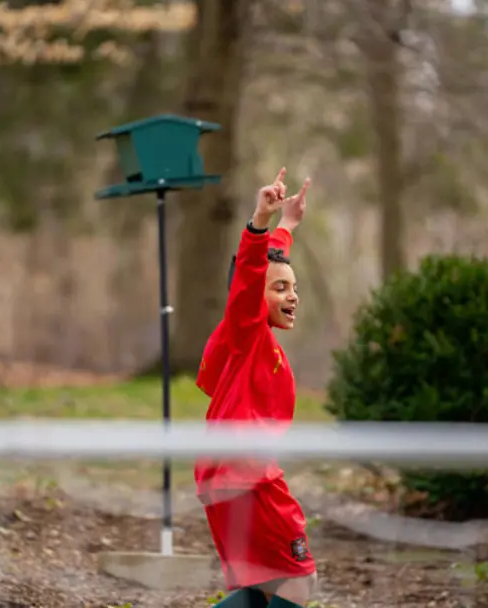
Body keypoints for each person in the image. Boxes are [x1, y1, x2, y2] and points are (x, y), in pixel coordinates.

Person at [195, 168, 317, 608]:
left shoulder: (244, 337)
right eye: (281, 288)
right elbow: (250, 272)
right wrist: (260, 222)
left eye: (294, 288)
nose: (292, 296)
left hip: (223, 476)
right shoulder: (247, 332)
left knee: (259, 589)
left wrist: (287, 227)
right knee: (298, 583)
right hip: (247, 477)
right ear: (250, 298)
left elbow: (264, 267)